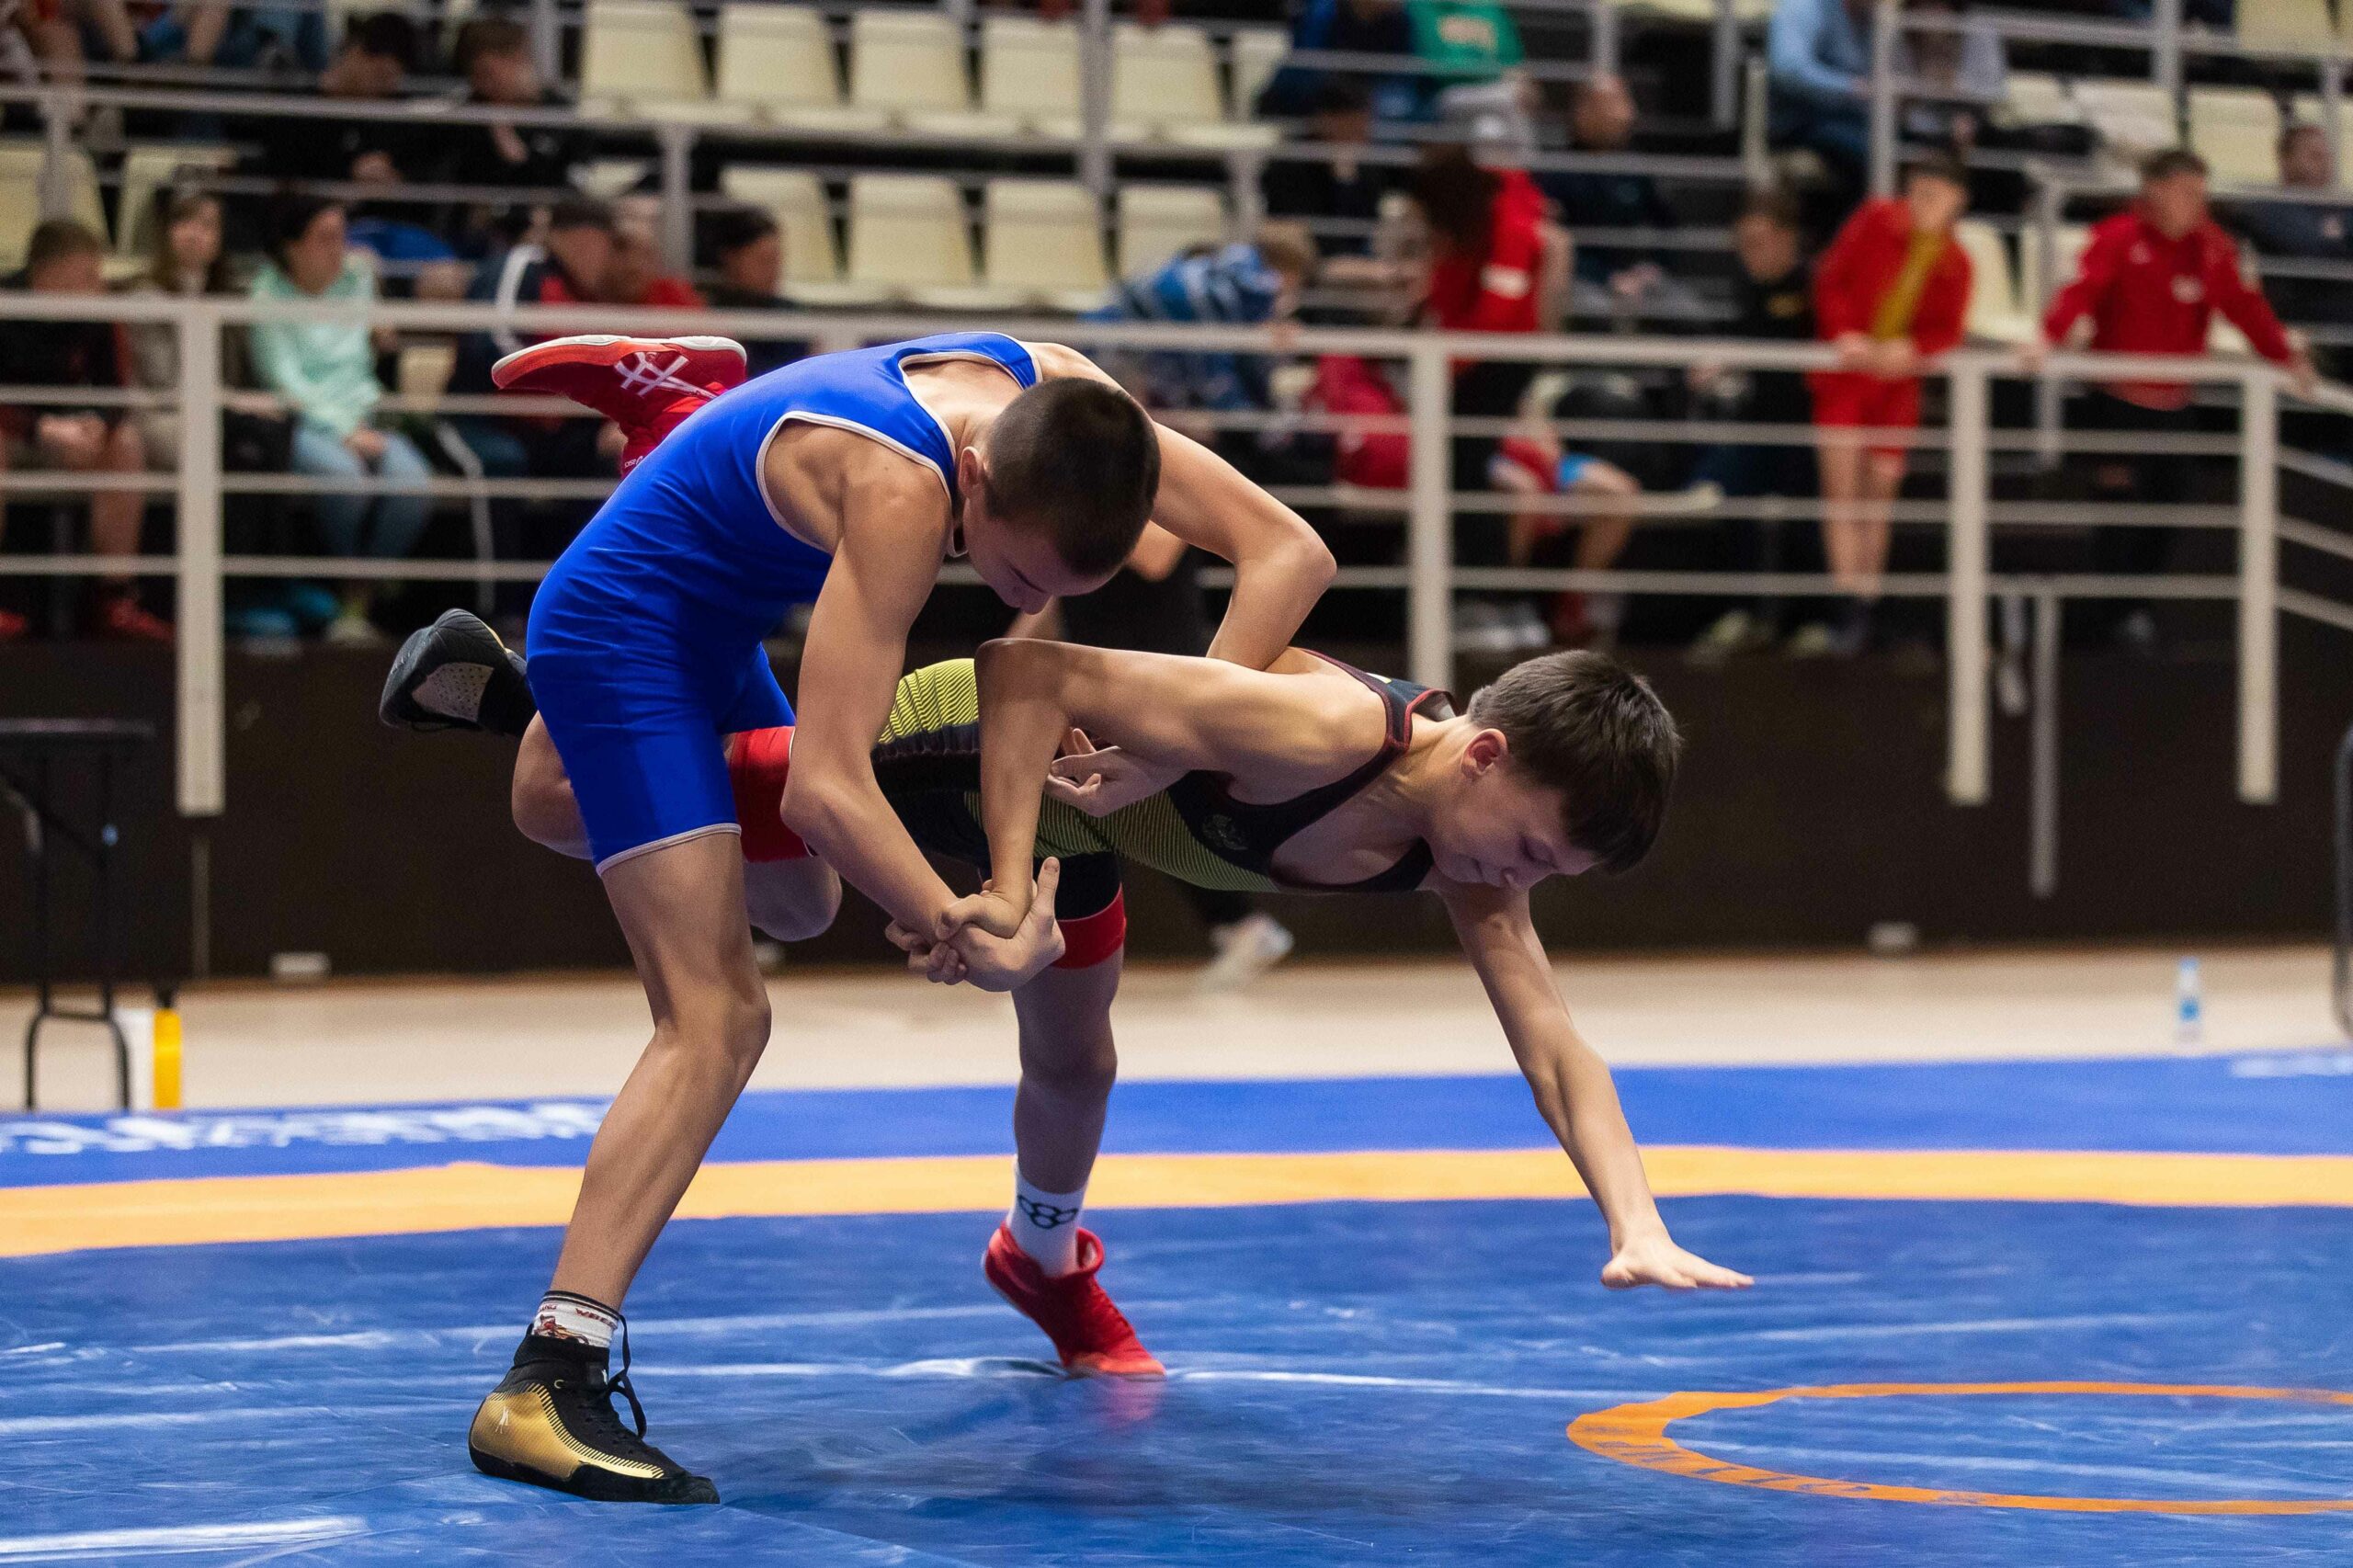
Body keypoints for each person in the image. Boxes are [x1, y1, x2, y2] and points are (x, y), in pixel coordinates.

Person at [380, 324, 1335, 1503]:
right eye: (1015, 573)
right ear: (974, 477)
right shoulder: (898, 488)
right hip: (625, 627)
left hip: (716, 609)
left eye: (1053, 588)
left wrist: (1172, 740)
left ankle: (668, 437)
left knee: (793, 892)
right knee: (718, 1018)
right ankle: (546, 1376)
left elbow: (1289, 551)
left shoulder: (1071, 401)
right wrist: (972, 925)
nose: (1025, 598)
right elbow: (825, 786)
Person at [393, 629, 1751, 1380]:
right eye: (1525, 849)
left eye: (1545, 874)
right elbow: (1024, 672)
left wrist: (1635, 1219)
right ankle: (563, 679)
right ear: (1485, 752)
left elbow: (1553, 1045)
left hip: (1079, 827)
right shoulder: (1326, 733)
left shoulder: (1462, 846)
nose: (1513, 882)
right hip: (969, 746)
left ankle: (1037, 1258)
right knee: (559, 805)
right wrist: (992, 887)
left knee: (1070, 1058)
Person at [2034, 148, 2312, 649]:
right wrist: (2046, 339)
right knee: (2118, 505)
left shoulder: (2213, 247)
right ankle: (2105, 617)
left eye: (2201, 195)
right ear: (2154, 191)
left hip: (2175, 403)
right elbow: (2083, 289)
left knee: (2171, 506)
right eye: (2187, 193)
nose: (2197, 205)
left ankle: (2133, 607)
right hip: (2115, 399)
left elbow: (2244, 307)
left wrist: (2285, 356)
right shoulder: (2117, 236)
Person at [1802, 152, 1972, 656]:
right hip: (1847, 376)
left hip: (1897, 386)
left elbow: (1948, 330)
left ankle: (1867, 600)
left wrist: (1915, 350)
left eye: (1935, 197)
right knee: (1841, 492)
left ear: (1957, 202)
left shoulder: (1957, 261)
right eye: (1917, 193)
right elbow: (1831, 277)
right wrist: (1844, 333)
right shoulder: (1875, 219)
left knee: (1878, 496)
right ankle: (1846, 605)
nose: (1923, 205)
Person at [249, 197, 435, 645]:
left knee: (414, 486)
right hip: (302, 420)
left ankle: (359, 590)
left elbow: (363, 359)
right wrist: (342, 431)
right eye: (325, 239)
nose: (339, 249)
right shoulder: (266, 294)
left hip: (366, 414)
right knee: (345, 480)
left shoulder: (357, 278)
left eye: (342, 237)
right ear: (292, 246)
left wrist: (360, 424)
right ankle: (345, 591)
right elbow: (283, 380)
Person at [0, 220, 171, 642]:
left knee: (126, 444)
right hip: (13, 431)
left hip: (69, 434)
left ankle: (116, 599)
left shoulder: (100, 311)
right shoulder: (6, 303)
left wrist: (97, 425)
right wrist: (42, 428)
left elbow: (118, 393)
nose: (99, 284)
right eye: (88, 274)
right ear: (48, 274)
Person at [1688, 188, 1819, 659]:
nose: (1749, 253)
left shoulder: (1814, 284)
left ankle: (1811, 621)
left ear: (1788, 239)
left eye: (1758, 242)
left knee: (1805, 522)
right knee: (1736, 502)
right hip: (1758, 420)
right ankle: (1745, 612)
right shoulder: (1747, 286)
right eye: (1743, 244)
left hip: (1807, 425)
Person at [1545, 73, 1696, 328]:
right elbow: (1553, 239)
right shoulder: (1556, 171)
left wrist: (1653, 268)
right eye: (1612, 104)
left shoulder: (1636, 168)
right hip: (1581, 278)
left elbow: (1668, 225)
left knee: (1686, 310)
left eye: (1625, 103)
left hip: (1635, 276)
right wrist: (1607, 278)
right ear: (1582, 112)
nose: (1626, 114)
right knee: (1595, 313)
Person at [436, 17, 592, 256]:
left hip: (545, 232)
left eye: (489, 73)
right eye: (476, 75)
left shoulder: (561, 114)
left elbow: (570, 181)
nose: (483, 85)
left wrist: (511, 144)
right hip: (476, 238)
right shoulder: (465, 117)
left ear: (518, 59)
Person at [2235, 124, 2353, 353]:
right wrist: (2338, 242)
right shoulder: (2269, 208)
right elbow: (2311, 251)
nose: (2325, 164)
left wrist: (2334, 238)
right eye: (2314, 156)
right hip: (2307, 328)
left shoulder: (2341, 206)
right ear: (2286, 160)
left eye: (2327, 156)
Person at [1767, 0, 1876, 208]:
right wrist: (1851, 88)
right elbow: (1788, 70)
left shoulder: (1869, 18)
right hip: (1799, 123)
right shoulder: (1804, 6)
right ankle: (1857, 226)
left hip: (1854, 122)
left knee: (1911, 149)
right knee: (1874, 156)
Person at [699, 208, 806, 377]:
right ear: (730, 258)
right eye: (763, 261)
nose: (773, 271)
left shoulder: (791, 314)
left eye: (776, 260)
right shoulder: (703, 312)